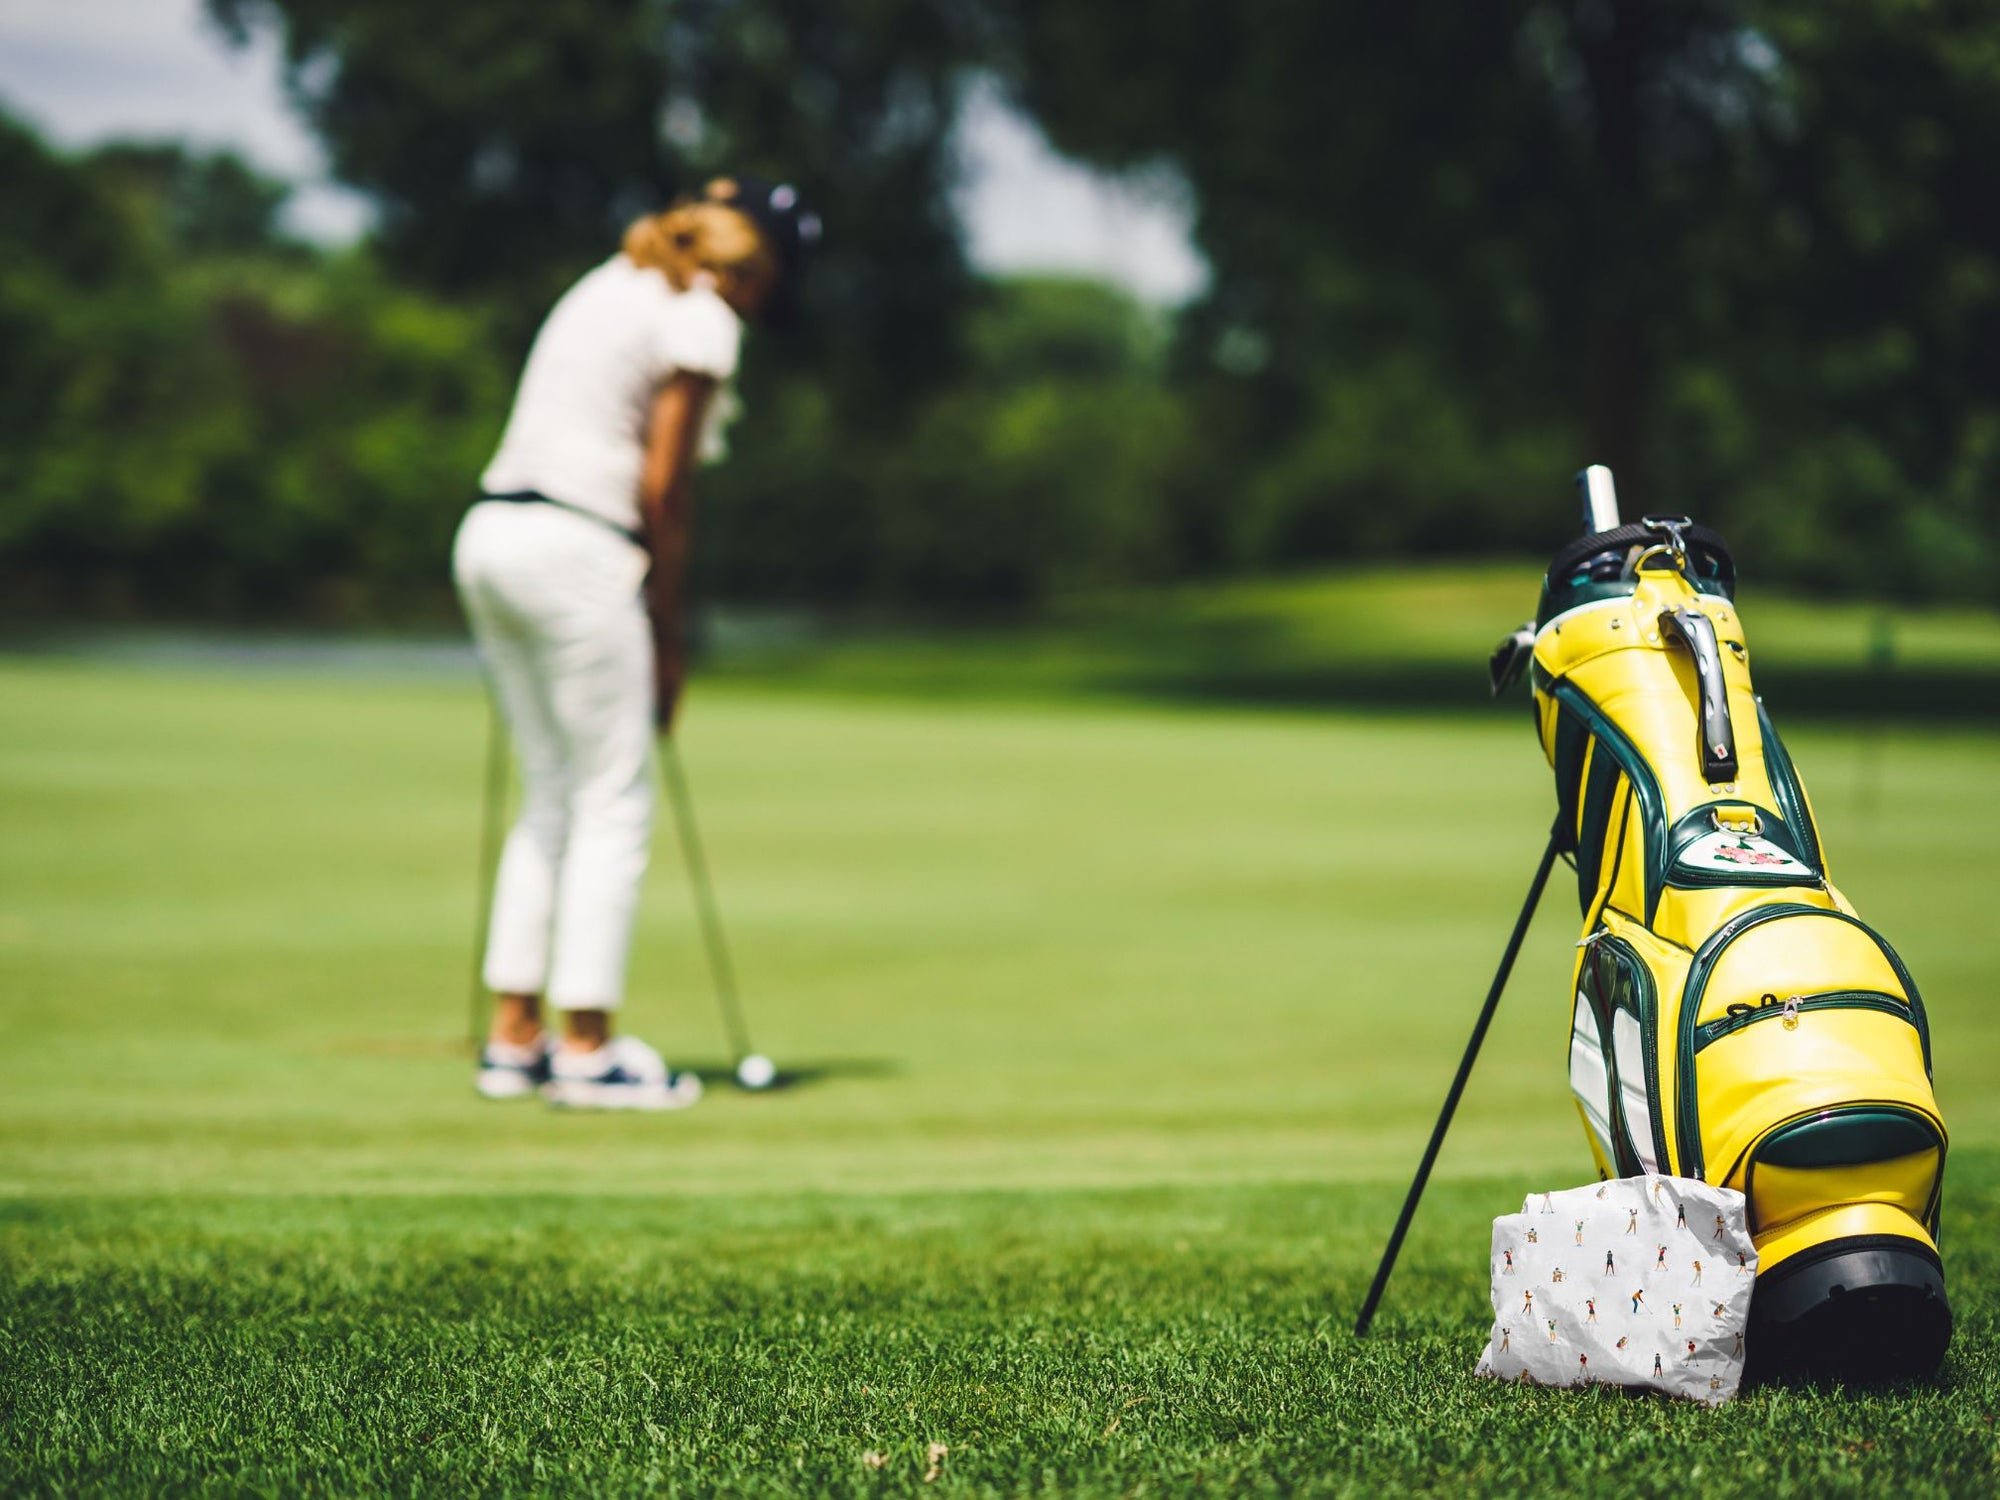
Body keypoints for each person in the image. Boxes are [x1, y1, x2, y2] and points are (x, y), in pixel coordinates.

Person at [455, 177, 819, 1108]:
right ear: (757, 263)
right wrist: (670, 632)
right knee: (614, 800)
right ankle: (588, 1053)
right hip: (580, 549)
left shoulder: (610, 281)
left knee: (552, 794)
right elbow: (666, 489)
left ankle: (514, 1041)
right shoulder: (703, 317)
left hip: (492, 535)